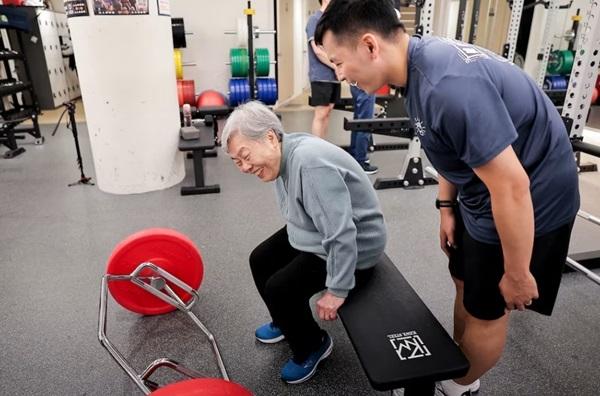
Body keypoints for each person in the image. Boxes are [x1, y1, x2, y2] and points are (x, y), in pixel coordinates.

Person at [314, 1, 580, 395]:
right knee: (464, 282)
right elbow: (446, 146)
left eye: (338, 62)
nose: (339, 74)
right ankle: (461, 362)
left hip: (531, 201)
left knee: (487, 312)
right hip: (482, 194)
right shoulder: (418, 68)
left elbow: (512, 187)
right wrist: (445, 207)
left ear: (369, 46)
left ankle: (459, 384)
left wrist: (519, 272)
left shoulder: (447, 87)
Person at [221, 101, 387, 384]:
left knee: (280, 288)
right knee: (260, 259)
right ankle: (287, 321)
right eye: (237, 161)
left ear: (270, 137)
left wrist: (337, 288)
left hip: (355, 248)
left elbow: (341, 232)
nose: (244, 167)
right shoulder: (284, 151)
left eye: (245, 155)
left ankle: (313, 344)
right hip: (318, 235)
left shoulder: (309, 163)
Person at [306, 0, 340, 138]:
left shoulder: (332, 21)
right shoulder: (314, 20)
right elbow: (318, 51)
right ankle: (316, 149)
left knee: (328, 111)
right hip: (321, 75)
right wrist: (336, 66)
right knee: (321, 113)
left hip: (334, 76)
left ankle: (323, 146)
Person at [349, 85, 378, 174]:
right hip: (366, 85)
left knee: (358, 122)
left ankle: (354, 155)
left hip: (355, 85)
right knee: (365, 125)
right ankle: (360, 162)